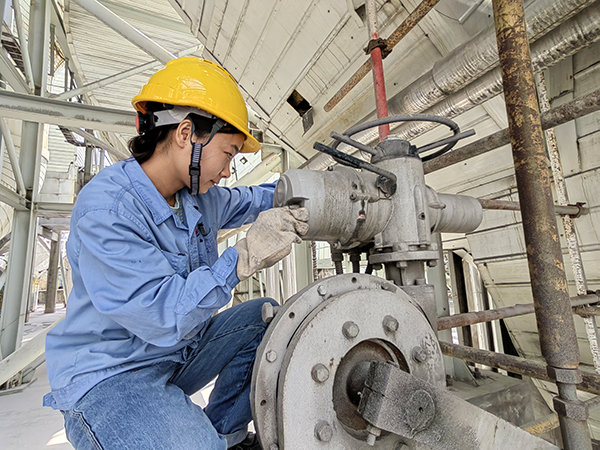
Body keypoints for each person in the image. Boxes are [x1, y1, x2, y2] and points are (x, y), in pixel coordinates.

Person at [43, 57, 309, 450]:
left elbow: (253, 199)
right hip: (113, 374)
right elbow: (163, 316)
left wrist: (311, 192)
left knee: (265, 318)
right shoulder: (108, 208)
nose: (228, 171)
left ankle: (228, 437)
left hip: (175, 353)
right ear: (187, 134)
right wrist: (244, 257)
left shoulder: (198, 197)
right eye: (229, 153)